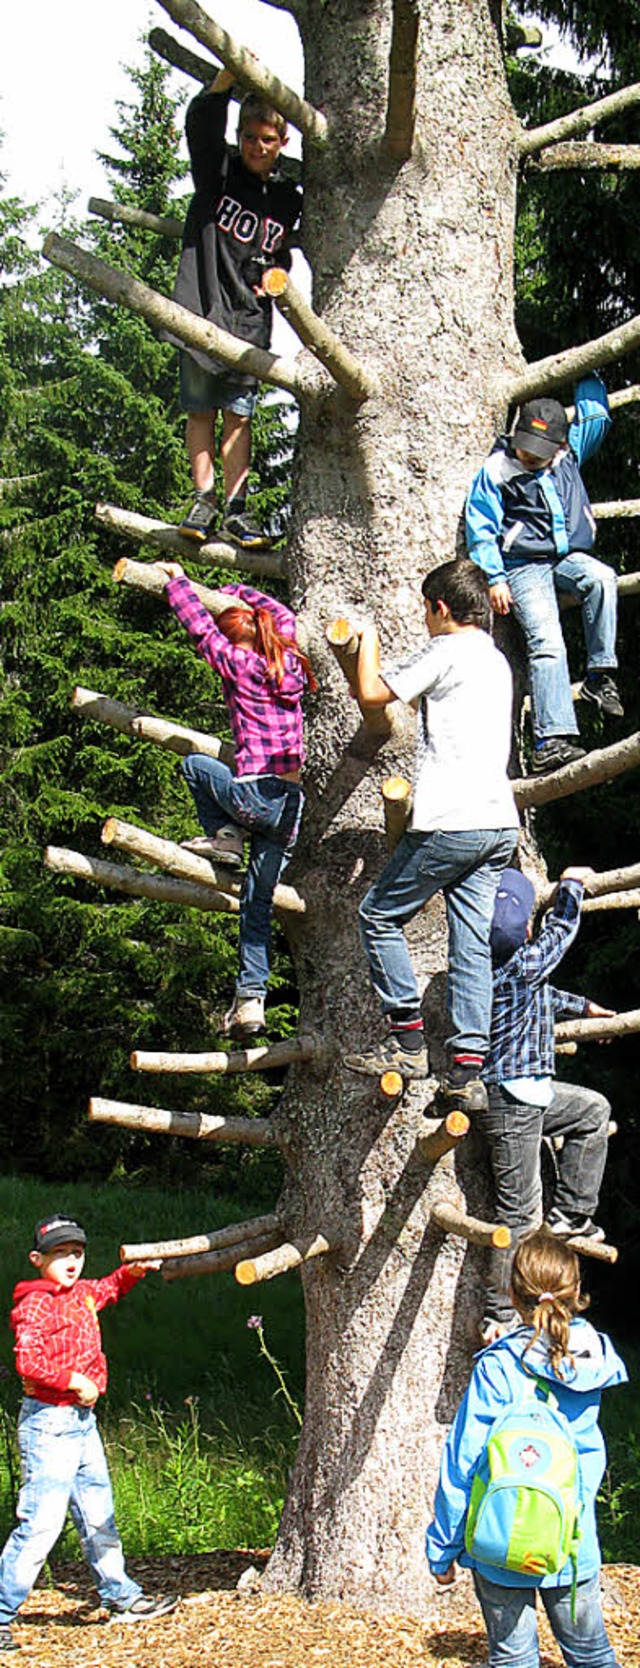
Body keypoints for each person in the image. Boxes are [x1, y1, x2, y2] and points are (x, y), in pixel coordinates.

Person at [343, 558, 519, 1111]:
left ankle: (407, 1042)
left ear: (441, 608)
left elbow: (372, 692)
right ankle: (467, 1073)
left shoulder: (446, 650)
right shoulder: (495, 661)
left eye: (425, 609)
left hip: (452, 819)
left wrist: (365, 634)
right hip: (498, 824)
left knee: (378, 915)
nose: (423, 619)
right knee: (471, 948)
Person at [426, 1230, 627, 1668]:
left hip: (499, 1540)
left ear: (514, 1295)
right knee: (591, 1654)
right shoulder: (592, 1360)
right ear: (576, 1292)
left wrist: (442, 1547)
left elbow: (462, 1463)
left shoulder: (498, 1365)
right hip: (571, 1541)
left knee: (513, 1657)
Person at [0, 1214, 177, 1653]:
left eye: (76, 1253)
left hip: (82, 1425)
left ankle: (120, 1597)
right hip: (49, 1423)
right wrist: (72, 1381)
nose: (71, 1262)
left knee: (99, 1511)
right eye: (60, 1254)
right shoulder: (34, 1303)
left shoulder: (82, 1295)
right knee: (41, 1523)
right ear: (37, 1259)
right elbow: (29, 1362)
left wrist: (131, 1272)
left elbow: (109, 1289)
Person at [158, 563, 316, 1039]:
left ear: (235, 638)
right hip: (291, 808)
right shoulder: (286, 660)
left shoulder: (238, 665)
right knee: (256, 903)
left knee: (194, 766)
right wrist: (240, 591)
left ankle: (226, 837)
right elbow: (283, 615)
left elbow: (200, 626)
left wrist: (176, 580)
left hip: (254, 798)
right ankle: (250, 1003)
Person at [479, 865, 615, 1341]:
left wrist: (581, 1007)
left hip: (531, 1093)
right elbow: (561, 935)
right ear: (528, 929)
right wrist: (572, 886)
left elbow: (542, 993)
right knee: (517, 1214)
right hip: (511, 1102)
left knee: (593, 1110)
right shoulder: (522, 964)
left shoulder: (499, 968)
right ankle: (498, 1314)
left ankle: (573, 1214)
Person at [169, 66, 301, 551]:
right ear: (238, 135)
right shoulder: (216, 172)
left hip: (249, 323)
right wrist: (226, 80)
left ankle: (236, 511)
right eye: (248, 136)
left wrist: (276, 275)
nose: (256, 147)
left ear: (282, 141)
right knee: (201, 410)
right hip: (203, 309)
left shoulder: (288, 199)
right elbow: (200, 125)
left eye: (267, 139)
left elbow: (278, 250)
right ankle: (203, 501)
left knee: (239, 417)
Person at [465, 374, 622, 777]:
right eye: (525, 447)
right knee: (547, 642)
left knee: (602, 578)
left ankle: (599, 674)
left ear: (562, 445)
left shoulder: (569, 455)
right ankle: (550, 740)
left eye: (540, 452)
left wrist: (585, 375)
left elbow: (596, 417)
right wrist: (494, 577)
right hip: (522, 564)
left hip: (566, 557)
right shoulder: (497, 469)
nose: (529, 456)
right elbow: (481, 527)